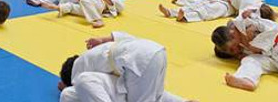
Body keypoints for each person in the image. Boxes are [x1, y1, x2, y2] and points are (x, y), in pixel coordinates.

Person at [58, 31, 192, 102]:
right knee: (153, 94)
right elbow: (125, 37)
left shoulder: (80, 65)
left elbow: (80, 85)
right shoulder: (96, 54)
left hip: (137, 60)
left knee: (81, 82)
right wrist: (104, 39)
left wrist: (67, 85)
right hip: (155, 50)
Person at [212, 16, 278, 92]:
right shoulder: (241, 45)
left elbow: (275, 26)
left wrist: (255, 28)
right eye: (232, 51)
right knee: (250, 60)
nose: (236, 50)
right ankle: (246, 79)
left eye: (233, 47)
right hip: (272, 58)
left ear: (232, 34)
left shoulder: (247, 24)